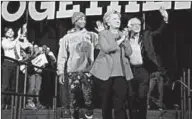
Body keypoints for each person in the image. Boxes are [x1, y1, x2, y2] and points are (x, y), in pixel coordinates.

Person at [127, 7, 168, 119]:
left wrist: (165, 19)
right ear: (129, 26)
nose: (137, 27)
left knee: (142, 96)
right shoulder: (124, 38)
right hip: (129, 70)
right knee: (131, 97)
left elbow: (160, 32)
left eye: (139, 24)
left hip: (143, 69)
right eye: (134, 24)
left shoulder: (146, 35)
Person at [90, 10, 133, 119]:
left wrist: (126, 40)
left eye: (118, 18)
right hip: (105, 74)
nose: (118, 20)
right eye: (114, 19)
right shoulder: (103, 34)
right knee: (106, 104)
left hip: (121, 74)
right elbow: (106, 48)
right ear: (108, 22)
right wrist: (120, 40)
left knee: (121, 104)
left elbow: (129, 52)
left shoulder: (122, 34)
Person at [57, 12, 98, 119]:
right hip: (72, 71)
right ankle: (73, 116)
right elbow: (62, 55)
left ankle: (89, 113)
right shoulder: (67, 37)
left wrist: (103, 33)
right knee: (73, 99)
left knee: (88, 98)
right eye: (80, 19)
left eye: (84, 19)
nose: (83, 21)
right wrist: (60, 72)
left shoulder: (91, 35)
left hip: (87, 71)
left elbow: (103, 45)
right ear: (74, 21)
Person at [1, 26, 22, 109]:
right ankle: (2, 103)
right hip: (7, 63)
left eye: (12, 31)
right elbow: (10, 46)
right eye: (8, 32)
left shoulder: (16, 41)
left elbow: (19, 51)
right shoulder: (4, 41)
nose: (10, 33)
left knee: (13, 85)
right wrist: (17, 37)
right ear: (5, 34)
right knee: (5, 85)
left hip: (15, 64)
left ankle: (10, 104)